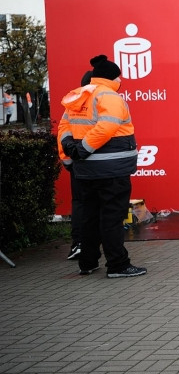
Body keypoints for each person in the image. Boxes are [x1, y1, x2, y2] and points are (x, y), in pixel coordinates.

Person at [57, 55, 145, 278]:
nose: (120, 80)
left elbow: (64, 127)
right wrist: (83, 149)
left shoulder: (79, 95)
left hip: (85, 171)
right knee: (112, 218)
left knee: (89, 217)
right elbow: (106, 127)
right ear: (111, 78)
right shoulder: (110, 96)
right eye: (118, 77)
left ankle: (87, 262)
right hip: (111, 170)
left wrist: (69, 157)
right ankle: (118, 265)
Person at [64, 70, 94, 260]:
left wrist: (68, 160)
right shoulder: (100, 102)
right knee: (97, 204)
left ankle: (79, 244)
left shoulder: (72, 103)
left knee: (80, 204)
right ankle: (90, 246)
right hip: (94, 163)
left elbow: (64, 132)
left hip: (76, 163)